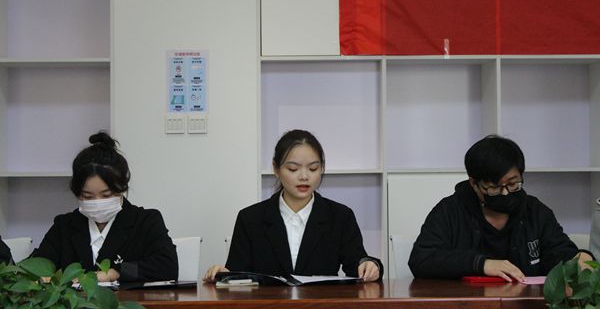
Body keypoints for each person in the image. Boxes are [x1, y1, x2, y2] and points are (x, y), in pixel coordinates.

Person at [203, 129, 383, 283]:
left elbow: (357, 265)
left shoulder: (340, 216)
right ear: (276, 168)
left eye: (313, 168)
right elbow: (237, 276)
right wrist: (223, 275)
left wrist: (369, 266)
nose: (304, 176)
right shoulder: (250, 219)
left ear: (322, 168)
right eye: (293, 169)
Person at [409, 135, 592, 281]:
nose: (505, 193)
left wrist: (581, 258)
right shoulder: (450, 211)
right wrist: (481, 264)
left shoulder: (535, 211)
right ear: (474, 183)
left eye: (512, 184)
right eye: (494, 187)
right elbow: (422, 259)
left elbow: (559, 253)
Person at [33, 132, 178, 282]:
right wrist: (43, 278)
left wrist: (114, 273)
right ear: (77, 193)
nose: (97, 202)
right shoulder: (64, 226)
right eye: (88, 196)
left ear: (122, 188)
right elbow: (33, 266)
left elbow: (168, 267)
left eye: (106, 195)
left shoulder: (146, 221)